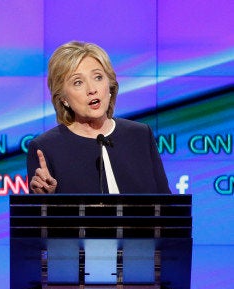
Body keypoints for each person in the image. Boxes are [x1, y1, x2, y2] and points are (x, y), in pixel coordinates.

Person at [27, 41, 170, 195]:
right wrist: (46, 200)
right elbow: (38, 217)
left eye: (98, 77)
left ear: (110, 85)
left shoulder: (140, 135)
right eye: (78, 82)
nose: (92, 89)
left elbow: (167, 208)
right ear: (63, 98)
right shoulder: (46, 148)